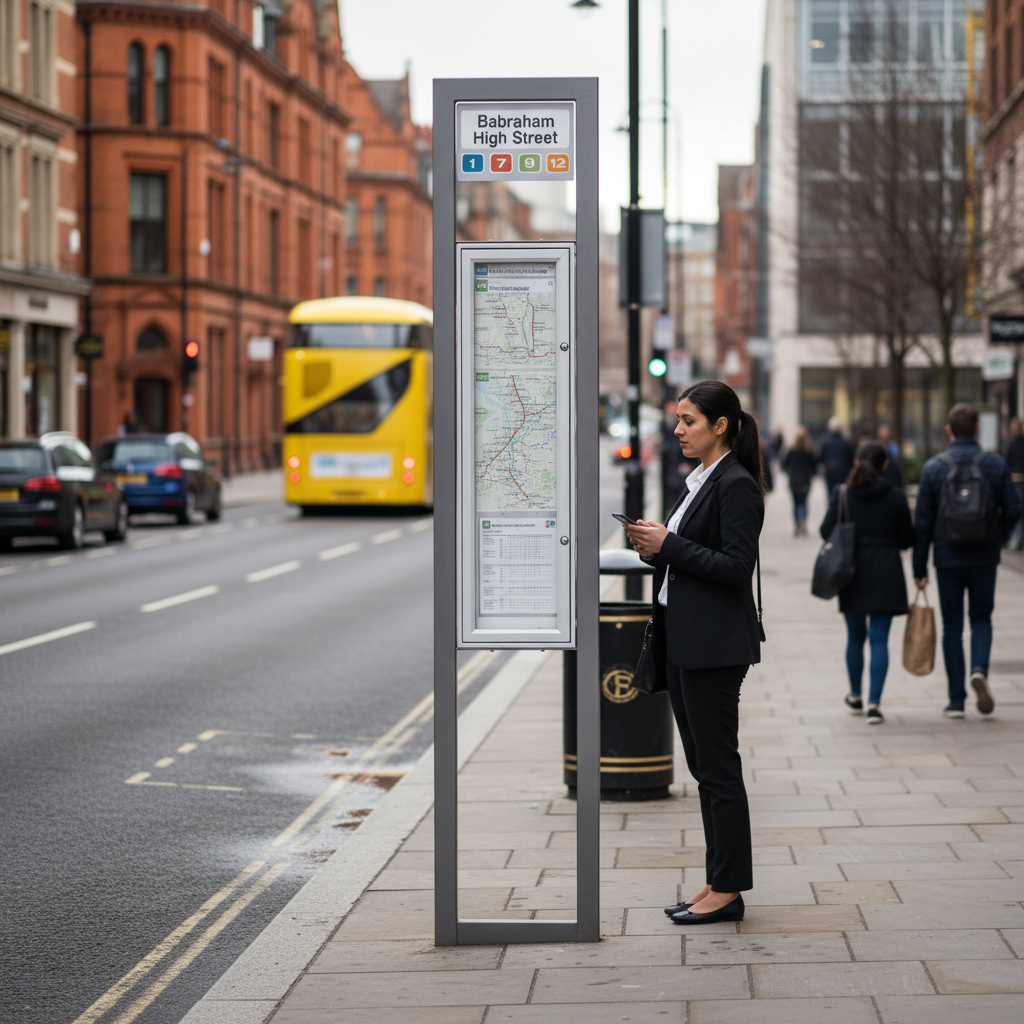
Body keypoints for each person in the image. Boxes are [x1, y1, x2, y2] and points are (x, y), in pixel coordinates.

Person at [622, 380, 764, 927]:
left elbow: (736, 568)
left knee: (718, 770)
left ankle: (728, 890)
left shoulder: (736, 484)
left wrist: (670, 545)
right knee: (704, 769)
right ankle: (716, 880)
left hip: (714, 647)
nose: (678, 430)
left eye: (689, 421)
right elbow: (689, 556)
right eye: (678, 420)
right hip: (684, 638)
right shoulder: (700, 480)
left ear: (720, 425)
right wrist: (653, 546)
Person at [913, 404, 1023, 718]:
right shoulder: (995, 464)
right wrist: (997, 538)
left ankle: (956, 700)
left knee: (952, 626)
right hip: (984, 556)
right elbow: (1014, 509)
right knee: (981, 618)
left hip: (947, 557)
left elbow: (923, 522)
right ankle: (979, 670)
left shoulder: (934, 467)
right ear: (977, 429)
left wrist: (919, 567)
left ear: (948, 431)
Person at [820, 441, 914, 724]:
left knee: (855, 637)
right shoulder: (895, 496)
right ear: (885, 465)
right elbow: (906, 539)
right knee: (879, 638)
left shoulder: (844, 494)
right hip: (886, 571)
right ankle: (874, 703)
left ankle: (855, 694)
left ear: (856, 462)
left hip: (851, 572)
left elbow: (825, 530)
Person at [782, 426, 818, 536]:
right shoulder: (808, 451)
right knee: (804, 503)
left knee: (796, 504)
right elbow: (815, 466)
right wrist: (811, 474)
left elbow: (784, 464)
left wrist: (790, 472)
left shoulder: (791, 450)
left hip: (794, 480)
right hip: (805, 481)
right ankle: (804, 523)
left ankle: (797, 525)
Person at [818, 416, 854, 497]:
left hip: (830, 471)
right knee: (841, 493)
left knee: (831, 494)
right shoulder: (845, 441)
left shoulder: (825, 441)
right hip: (843, 471)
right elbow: (851, 457)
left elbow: (820, 457)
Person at [1005, 417, 1024, 550]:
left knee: (1016, 509)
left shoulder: (1011, 443)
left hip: (1016, 479)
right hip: (1019, 479)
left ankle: (1016, 538)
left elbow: (1007, 461)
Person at [877, 423, 904, 487]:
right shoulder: (876, 445)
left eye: (886, 432)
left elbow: (895, 458)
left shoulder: (893, 446)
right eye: (883, 432)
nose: (885, 434)